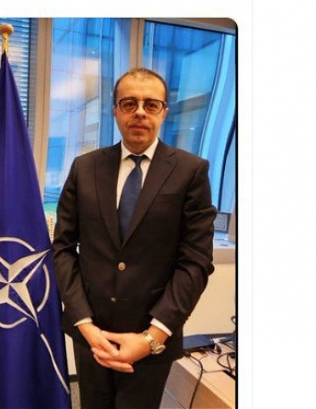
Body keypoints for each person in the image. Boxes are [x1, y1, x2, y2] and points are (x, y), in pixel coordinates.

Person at [52, 68, 217, 409]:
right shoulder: (84, 168)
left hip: (151, 337)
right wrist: (84, 323)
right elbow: (63, 249)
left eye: (150, 104)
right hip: (91, 334)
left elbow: (196, 262)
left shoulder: (191, 171)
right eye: (129, 103)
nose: (140, 112)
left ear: (163, 112)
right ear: (115, 110)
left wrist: (152, 337)